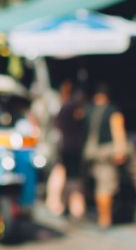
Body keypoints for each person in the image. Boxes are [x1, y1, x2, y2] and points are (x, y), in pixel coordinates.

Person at [83, 85, 132, 228]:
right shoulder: (112, 111)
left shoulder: (87, 110)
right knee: (105, 186)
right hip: (106, 153)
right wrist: (121, 150)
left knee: (99, 185)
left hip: (90, 154)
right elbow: (118, 131)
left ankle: (102, 217)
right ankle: (105, 218)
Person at [46, 87, 87, 219]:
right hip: (72, 150)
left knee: (66, 177)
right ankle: (72, 207)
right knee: (72, 179)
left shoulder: (63, 109)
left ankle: (62, 205)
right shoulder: (72, 108)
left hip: (63, 148)